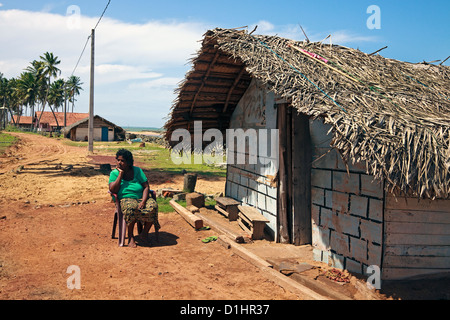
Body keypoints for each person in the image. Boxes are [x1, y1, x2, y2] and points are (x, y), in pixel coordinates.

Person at [109, 149, 160, 248]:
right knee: (130, 208)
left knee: (153, 206)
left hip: (141, 198)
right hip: (125, 198)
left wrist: (144, 201)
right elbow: (113, 190)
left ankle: (144, 234)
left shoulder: (137, 171)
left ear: (128, 162)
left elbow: (146, 186)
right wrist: (120, 174)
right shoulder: (114, 173)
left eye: (122, 161)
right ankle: (130, 236)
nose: (119, 163)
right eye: (118, 160)